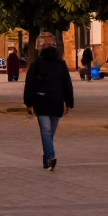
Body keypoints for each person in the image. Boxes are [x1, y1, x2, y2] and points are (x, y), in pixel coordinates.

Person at [24, 32, 74, 169]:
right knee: (47, 132)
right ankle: (51, 157)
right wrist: (69, 102)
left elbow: (30, 85)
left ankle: (47, 158)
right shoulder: (42, 65)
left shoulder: (40, 65)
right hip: (54, 103)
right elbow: (67, 85)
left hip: (44, 102)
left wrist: (29, 103)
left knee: (48, 132)